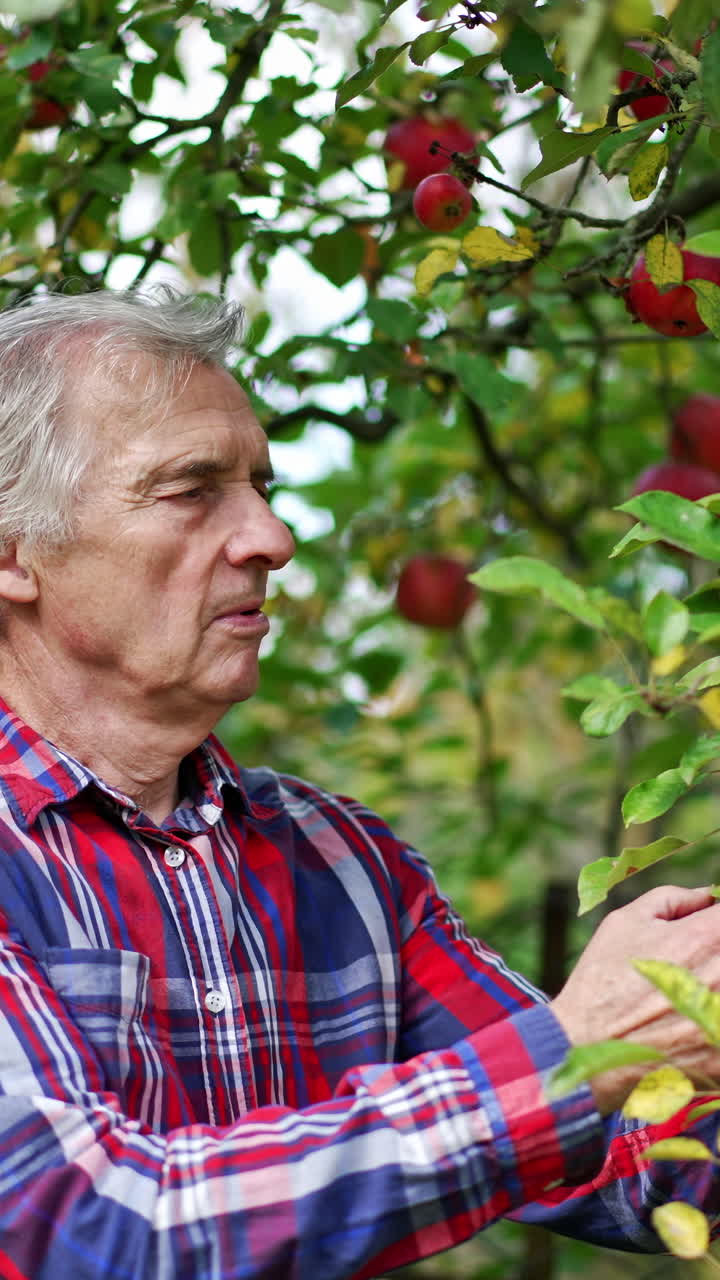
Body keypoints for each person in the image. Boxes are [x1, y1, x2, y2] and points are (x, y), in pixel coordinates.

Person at [0, 287, 718, 1280]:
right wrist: (577, 1048)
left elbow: (634, 1154)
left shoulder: (338, 859)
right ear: (14, 553)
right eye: (191, 490)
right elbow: (93, 1234)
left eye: (261, 485)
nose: (272, 537)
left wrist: (659, 1030)